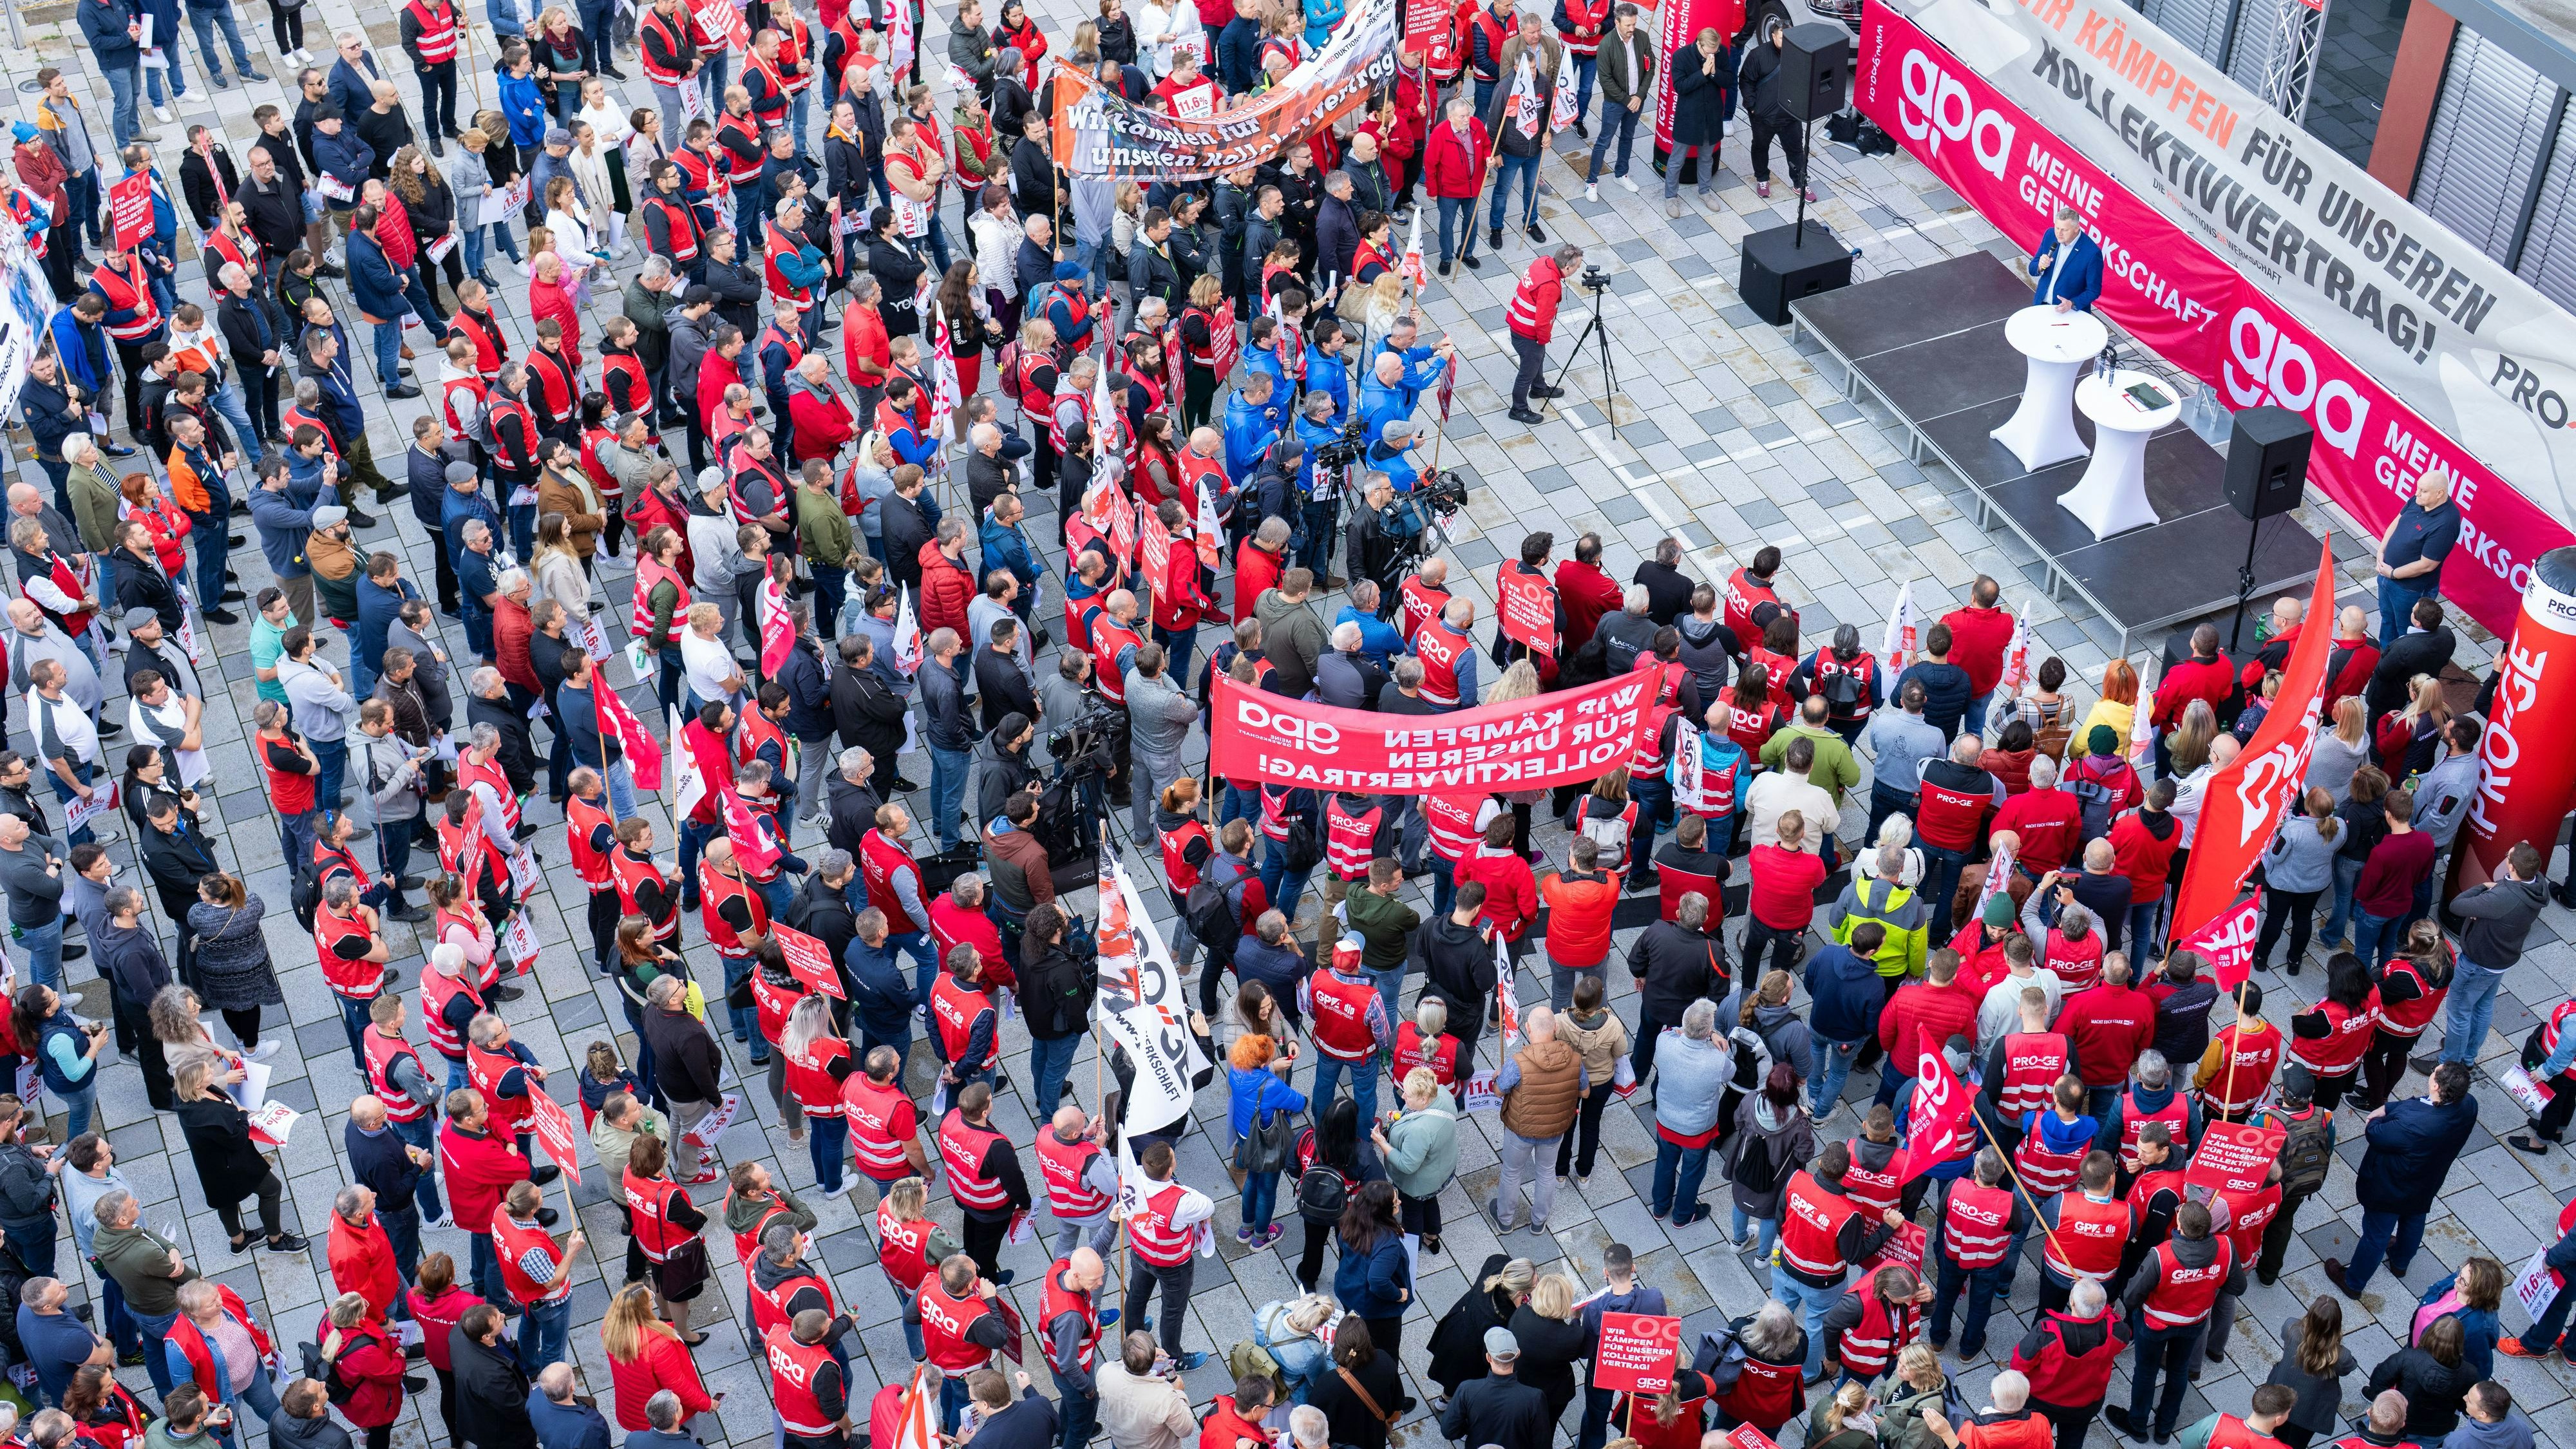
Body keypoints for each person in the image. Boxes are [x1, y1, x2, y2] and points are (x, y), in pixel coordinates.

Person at [2325, 1060, 2476, 1295]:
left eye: (2435, 1071)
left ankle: (2353, 1282)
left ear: (2436, 1086)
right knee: (2414, 1219)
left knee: (2376, 1235)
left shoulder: (2413, 1125)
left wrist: (2377, 1116)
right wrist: (2390, 1108)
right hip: (2426, 1181)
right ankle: (2400, 1262)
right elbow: (2418, 1106)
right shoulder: (2468, 1105)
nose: (2434, 1070)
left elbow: (2376, 1134)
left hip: (2392, 1186)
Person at [174, 1060, 304, 1255]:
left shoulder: (184, 1096)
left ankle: (239, 1241)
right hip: (231, 1164)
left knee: (225, 1200)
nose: (212, 1072)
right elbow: (236, 1139)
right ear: (198, 1084)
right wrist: (243, 1116)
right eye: (207, 1072)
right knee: (272, 1189)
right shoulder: (208, 1115)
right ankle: (276, 1240)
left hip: (212, 1165)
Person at [2374, 471, 2459, 649]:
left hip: (2410, 590)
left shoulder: (2446, 523)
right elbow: (2397, 521)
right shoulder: (2419, 500)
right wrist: (2382, 550)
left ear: (2440, 493)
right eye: (2418, 488)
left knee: (2406, 632)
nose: (2417, 494)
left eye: (2423, 491)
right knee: (2387, 619)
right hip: (2387, 576)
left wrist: (2393, 574)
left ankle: (2401, 666)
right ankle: (2385, 656)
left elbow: (2427, 565)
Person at [2262, 1295, 2358, 1449]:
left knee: (2274, 1434)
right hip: (2311, 1409)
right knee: (2298, 1443)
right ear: (2336, 1325)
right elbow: (2348, 1368)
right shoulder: (2340, 1356)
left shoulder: (2291, 1327)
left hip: (2282, 1396)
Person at [1437, 1327, 1551, 1449]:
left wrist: (1469, 1428)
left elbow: (1448, 1430)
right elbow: (1542, 1444)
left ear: (1488, 1358)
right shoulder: (1534, 1398)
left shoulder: (1467, 1389)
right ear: (1518, 1354)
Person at [2028, 204, 2104, 312]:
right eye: (2057, 228)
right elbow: (2032, 269)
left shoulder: (2092, 254)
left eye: (2064, 230)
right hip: (2041, 305)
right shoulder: (2050, 234)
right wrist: (2040, 266)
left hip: (2068, 313)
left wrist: (2072, 303)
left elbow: (2093, 291)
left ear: (2076, 228)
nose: (2059, 233)